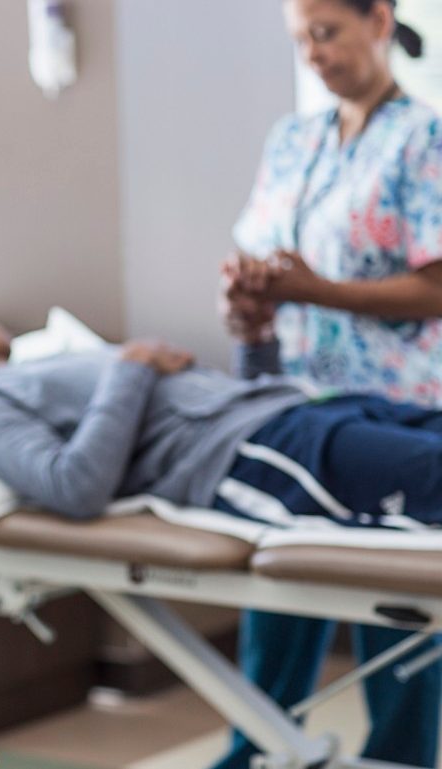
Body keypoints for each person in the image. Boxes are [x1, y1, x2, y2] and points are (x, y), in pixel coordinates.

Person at [218, 1, 442, 765]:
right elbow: (260, 253)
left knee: (396, 615)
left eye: (326, 32)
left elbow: (437, 285)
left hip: (401, 411)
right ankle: (258, 745)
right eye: (300, 40)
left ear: (378, 20)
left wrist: (319, 292)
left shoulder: (423, 138)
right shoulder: (294, 140)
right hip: (300, 406)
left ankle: (401, 757)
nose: (313, 53)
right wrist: (248, 298)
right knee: (275, 610)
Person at [0, 319, 442, 531]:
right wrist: (132, 365)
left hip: (294, 413)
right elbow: (75, 486)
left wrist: (256, 341)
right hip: (248, 455)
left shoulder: (41, 364)